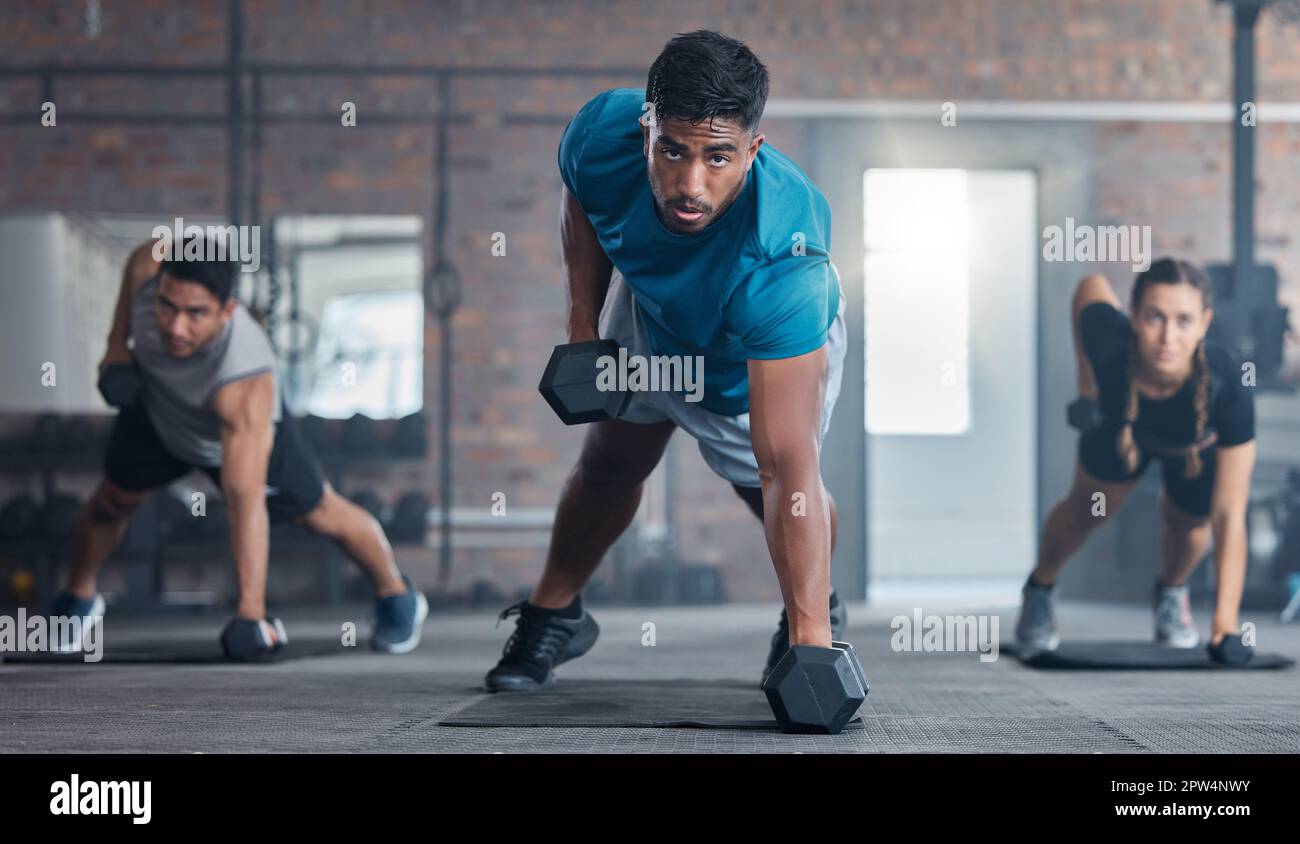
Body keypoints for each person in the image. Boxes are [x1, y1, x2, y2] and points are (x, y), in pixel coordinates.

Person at [485, 30, 848, 691]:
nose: (689, 183)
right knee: (610, 462)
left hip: (753, 347)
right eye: (672, 150)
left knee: (771, 481)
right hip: (654, 314)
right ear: (645, 128)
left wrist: (814, 657)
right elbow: (585, 200)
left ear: (752, 152)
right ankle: (556, 613)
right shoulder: (601, 134)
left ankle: (813, 622)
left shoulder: (786, 265)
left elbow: (787, 470)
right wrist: (581, 329)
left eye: (718, 158)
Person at [51, 236, 427, 656]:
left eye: (196, 314)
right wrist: (116, 346)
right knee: (110, 503)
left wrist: (251, 614)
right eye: (168, 306)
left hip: (228, 434)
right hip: (161, 415)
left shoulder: (245, 378)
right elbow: (146, 253)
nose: (176, 327)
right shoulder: (147, 288)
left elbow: (244, 502)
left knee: (320, 513)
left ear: (228, 312)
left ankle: (397, 594)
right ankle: (78, 599)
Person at [1016, 258, 1257, 663]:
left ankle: (1170, 593)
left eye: (1184, 320)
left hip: (1191, 450)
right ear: (1133, 317)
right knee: (1085, 513)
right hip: (1120, 430)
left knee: (1192, 528)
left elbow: (1231, 515)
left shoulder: (1229, 382)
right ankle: (1039, 590)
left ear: (1204, 323)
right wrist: (1087, 385)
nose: (1167, 337)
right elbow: (1089, 287)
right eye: (1154, 317)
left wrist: (1225, 626)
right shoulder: (1108, 343)